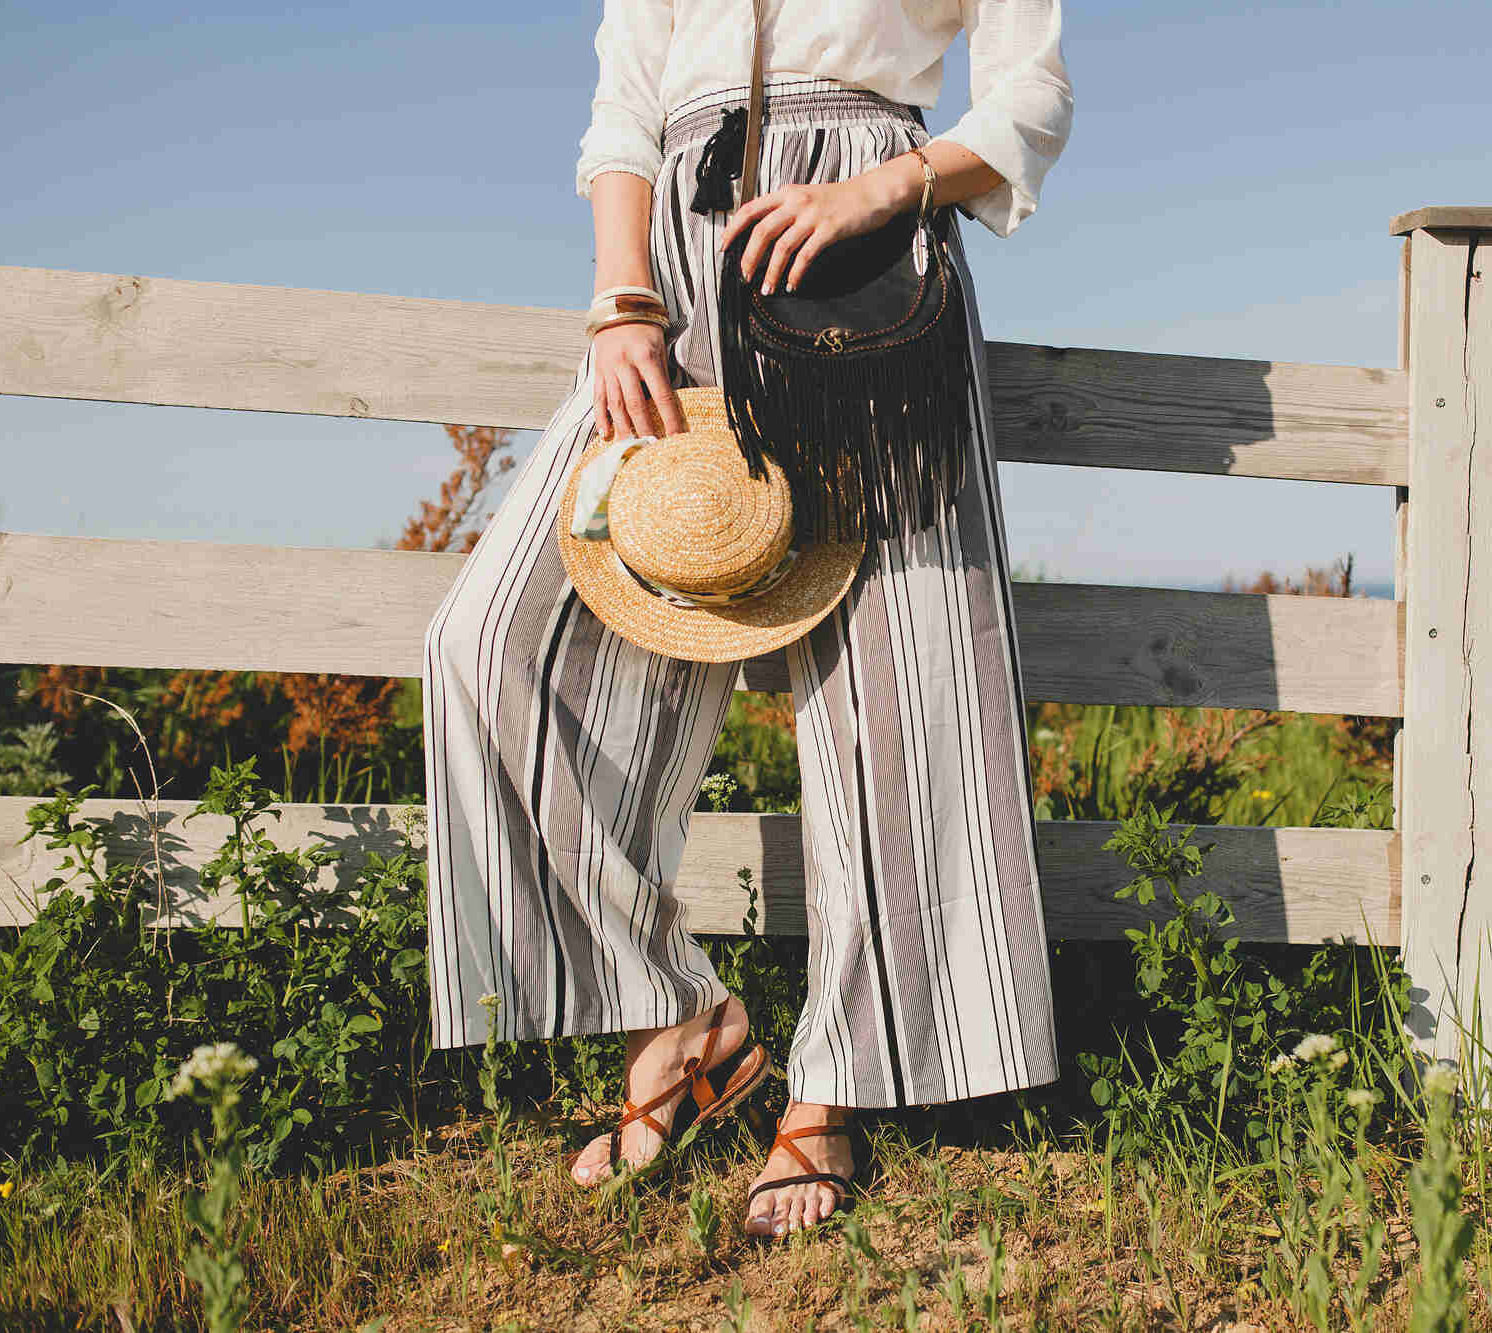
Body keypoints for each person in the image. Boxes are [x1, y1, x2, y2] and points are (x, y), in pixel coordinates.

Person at [420, 0, 1073, 1240]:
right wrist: (624, 300)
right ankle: (684, 1013)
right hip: (669, 258)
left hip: (866, 260)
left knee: (896, 690)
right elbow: (623, 105)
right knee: (491, 644)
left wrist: (883, 189)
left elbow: (1029, 104)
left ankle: (834, 1087)